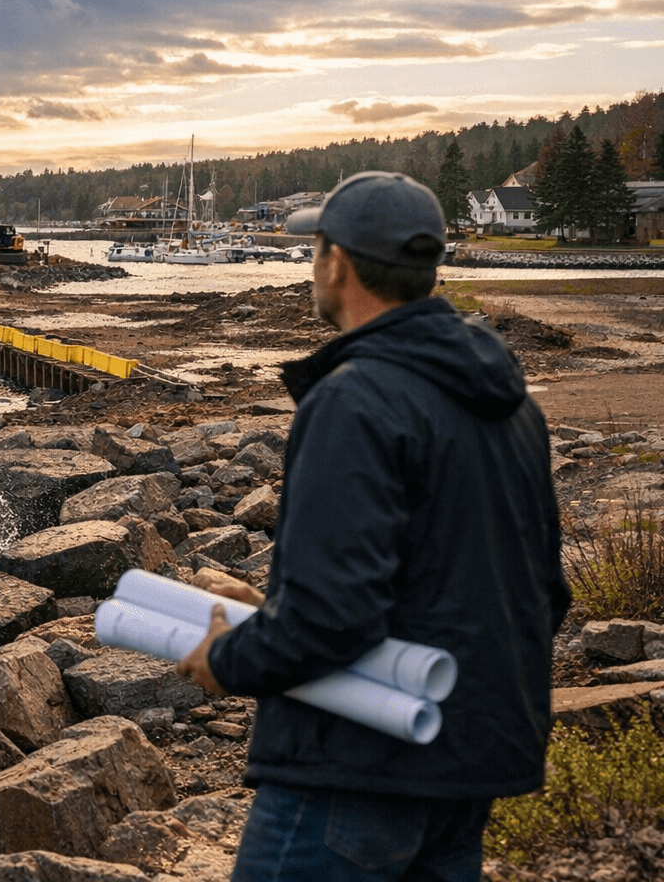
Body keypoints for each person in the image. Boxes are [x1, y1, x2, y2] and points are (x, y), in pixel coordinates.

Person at [175, 172, 569, 881]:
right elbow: (540, 592)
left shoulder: (354, 400)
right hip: (469, 763)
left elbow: (332, 617)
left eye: (315, 251)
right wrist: (280, 608)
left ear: (338, 262)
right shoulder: (513, 406)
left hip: (353, 771)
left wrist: (230, 657)